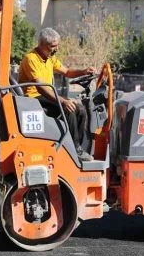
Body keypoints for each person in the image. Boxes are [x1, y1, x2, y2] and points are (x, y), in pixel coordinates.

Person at [18, 28, 96, 161]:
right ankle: (74, 150)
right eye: (53, 46)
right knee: (69, 108)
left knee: (81, 110)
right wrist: (63, 101)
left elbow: (66, 72)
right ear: (42, 45)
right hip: (33, 98)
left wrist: (83, 71)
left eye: (57, 45)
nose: (56, 49)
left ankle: (76, 146)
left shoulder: (49, 57)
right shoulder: (31, 59)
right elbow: (41, 88)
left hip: (46, 94)